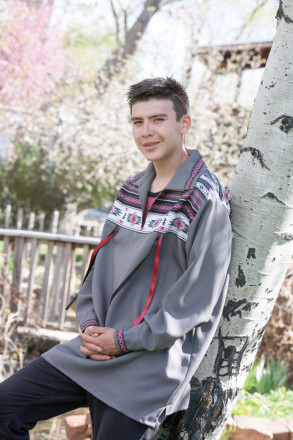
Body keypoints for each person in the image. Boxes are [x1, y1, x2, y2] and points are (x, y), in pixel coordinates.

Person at [0, 77, 232, 440]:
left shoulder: (205, 199)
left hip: (150, 365)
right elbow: (99, 266)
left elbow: (196, 301)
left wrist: (124, 340)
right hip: (95, 348)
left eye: (158, 119)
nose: (146, 132)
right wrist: (89, 324)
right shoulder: (129, 189)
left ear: (184, 124)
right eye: (138, 122)